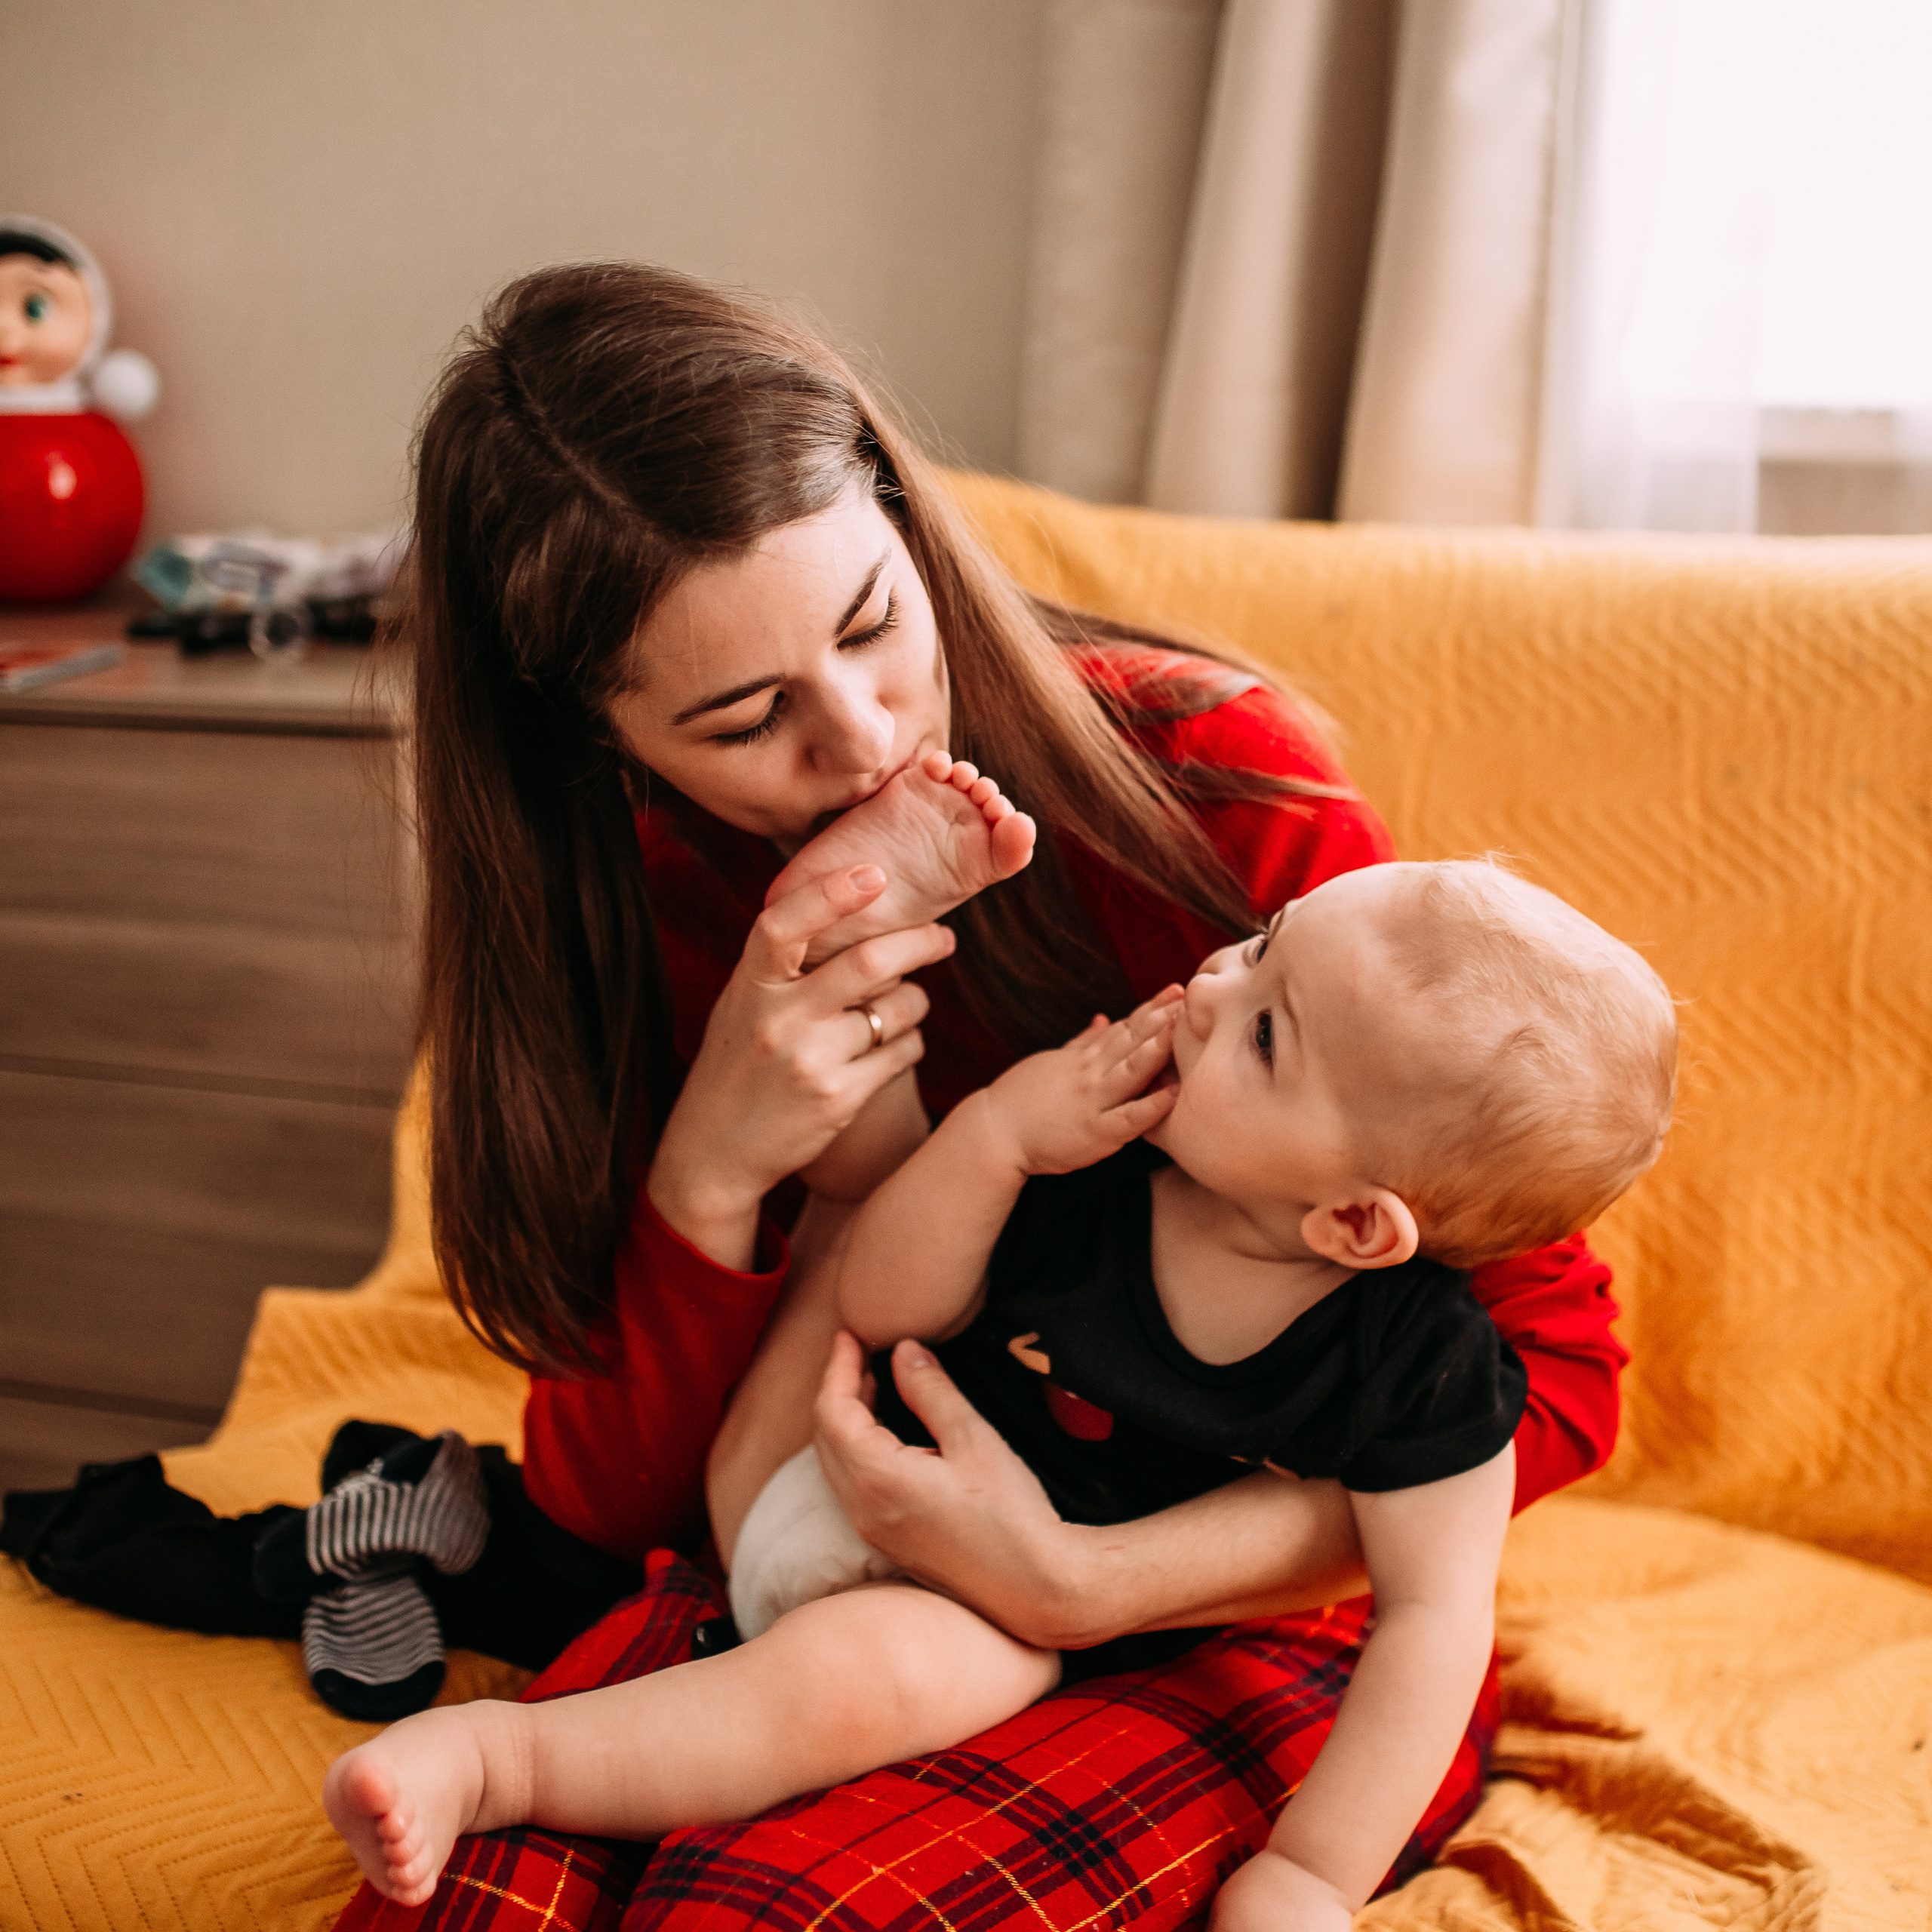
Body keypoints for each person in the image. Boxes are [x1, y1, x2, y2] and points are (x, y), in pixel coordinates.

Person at [331, 260, 1634, 1927]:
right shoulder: (640, 909)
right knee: (447, 1901)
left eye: (876, 624)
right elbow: (607, 1509)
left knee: (773, 1906)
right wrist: (710, 1176)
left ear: (902, 519)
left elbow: (1553, 1376)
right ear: (602, 742)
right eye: (744, 719)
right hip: (827, 1555)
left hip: (1229, 1596)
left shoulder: (1215, 803)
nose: (866, 740)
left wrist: (1087, 1574)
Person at [321, 858, 1677, 1925]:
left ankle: (544, 1768)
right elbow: (890, 1305)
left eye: (1266, 1034)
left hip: (1045, 1626)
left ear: (1359, 1226)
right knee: (895, 1647)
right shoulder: (1104, 1161)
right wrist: (1000, 1138)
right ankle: (502, 1762)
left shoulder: (1428, 1367)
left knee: (925, 1675)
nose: (1207, 987)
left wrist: (1313, 1876)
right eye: (1263, 939)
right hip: (851, 1498)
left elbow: (1436, 1620)